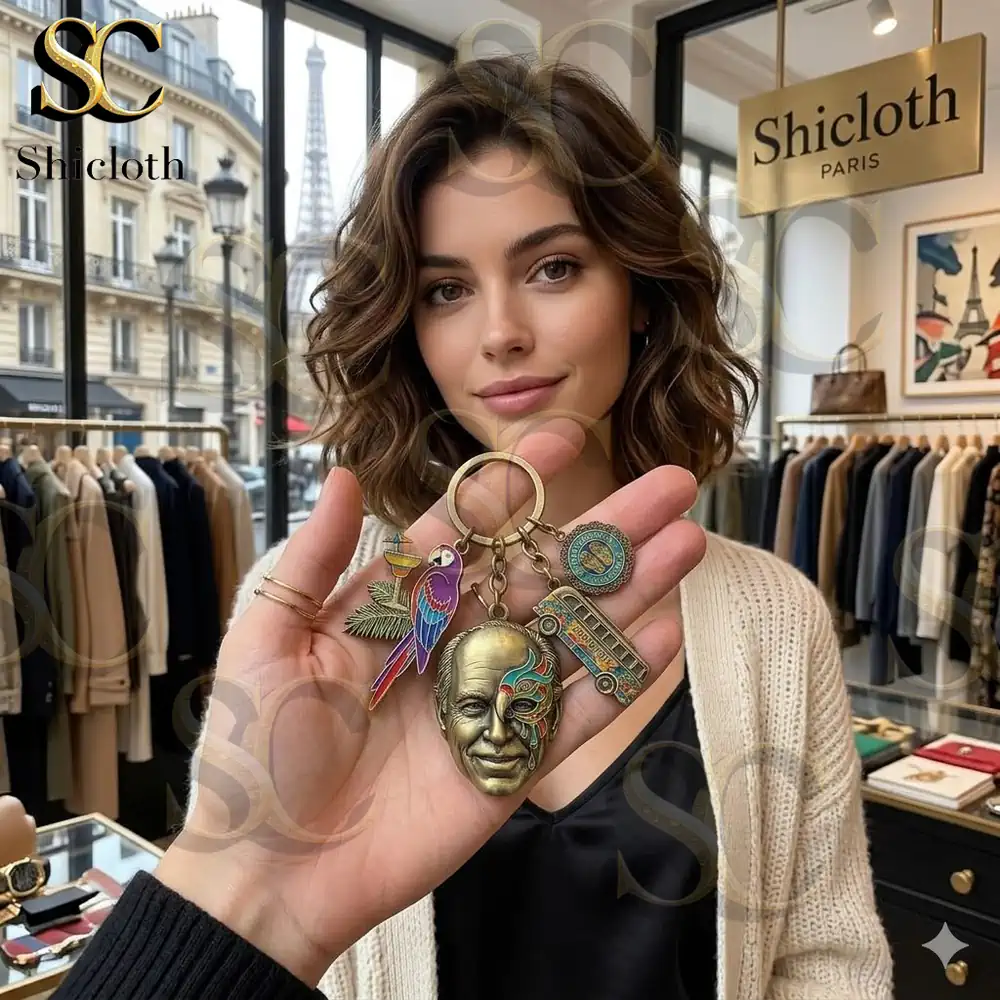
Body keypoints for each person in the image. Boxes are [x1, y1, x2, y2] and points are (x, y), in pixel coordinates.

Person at [51, 56, 892, 1000]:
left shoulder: (774, 619)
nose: (499, 332)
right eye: (446, 289)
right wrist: (246, 889)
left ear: (643, 291)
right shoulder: (319, 618)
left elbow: (827, 960)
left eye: (554, 267)